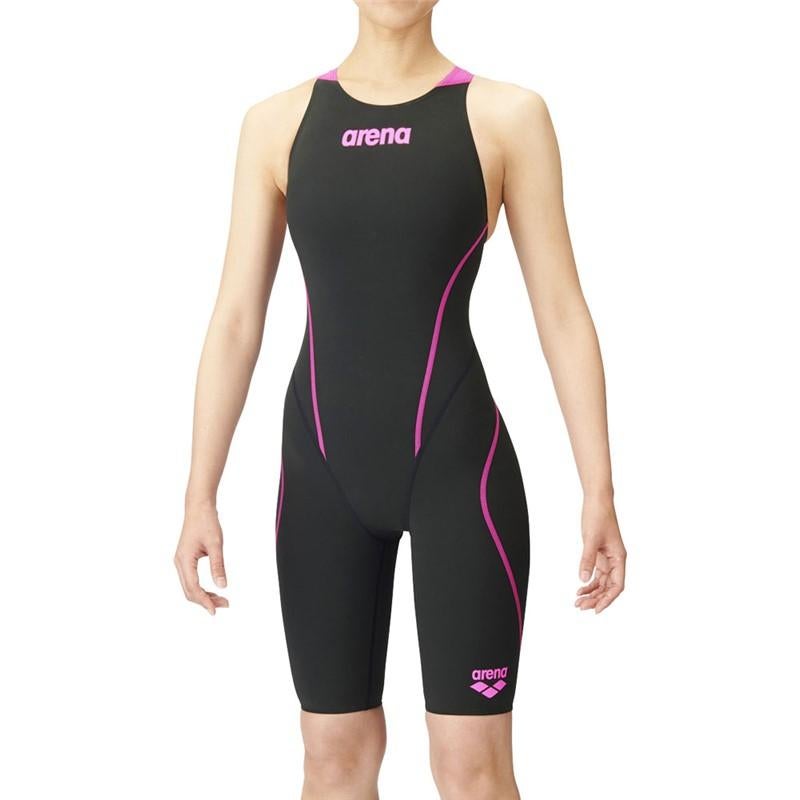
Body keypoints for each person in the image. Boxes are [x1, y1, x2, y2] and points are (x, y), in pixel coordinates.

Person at [173, 1, 627, 797]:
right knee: (332, 759)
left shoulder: (505, 116)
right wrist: (198, 494)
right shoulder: (276, 124)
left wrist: (600, 490)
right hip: (321, 474)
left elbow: (560, 310)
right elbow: (237, 318)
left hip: (460, 472)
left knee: (471, 768)